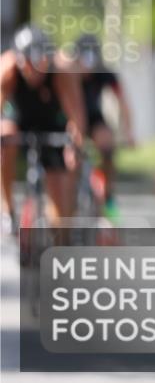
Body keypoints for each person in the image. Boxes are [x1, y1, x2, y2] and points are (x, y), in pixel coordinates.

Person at [0, 25, 87, 235]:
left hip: (52, 123)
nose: (34, 71)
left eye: (40, 64)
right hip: (20, 120)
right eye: (28, 65)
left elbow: (76, 117)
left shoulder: (62, 72)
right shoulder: (7, 69)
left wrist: (73, 147)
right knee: (4, 136)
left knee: (61, 197)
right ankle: (8, 210)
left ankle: (59, 235)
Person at [75, 33, 134, 218]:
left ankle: (108, 195)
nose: (87, 66)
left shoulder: (104, 73)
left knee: (107, 145)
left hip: (93, 118)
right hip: (69, 118)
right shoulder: (65, 73)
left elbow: (122, 101)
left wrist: (129, 131)